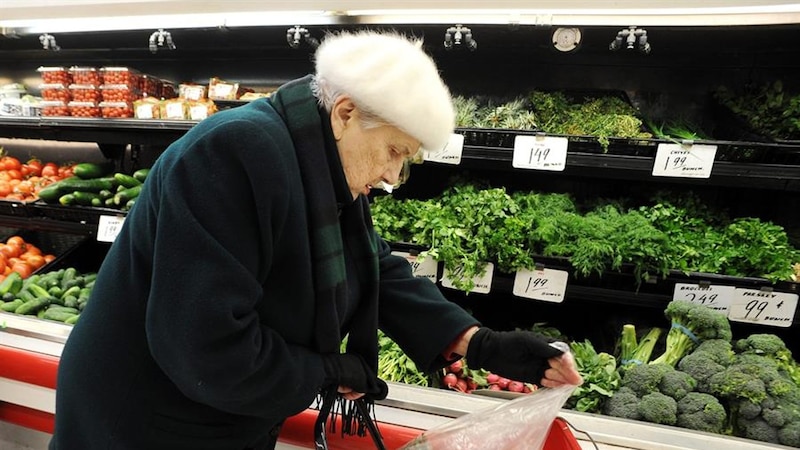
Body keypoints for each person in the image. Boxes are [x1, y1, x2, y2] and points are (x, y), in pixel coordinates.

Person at [50, 30, 582, 450]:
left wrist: (478, 342)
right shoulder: (234, 154)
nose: (396, 176)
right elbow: (205, 348)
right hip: (146, 420)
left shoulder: (316, 159)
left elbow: (373, 265)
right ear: (346, 113)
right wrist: (322, 371)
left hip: (226, 415)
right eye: (395, 151)